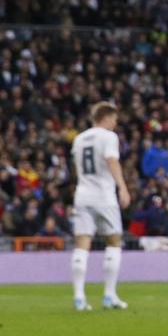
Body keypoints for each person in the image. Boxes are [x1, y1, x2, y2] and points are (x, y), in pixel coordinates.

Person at [69, 101, 130, 311]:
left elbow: (76, 169)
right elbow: (112, 161)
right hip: (104, 196)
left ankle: (79, 298)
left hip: (83, 195)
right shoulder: (108, 137)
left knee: (82, 244)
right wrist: (122, 187)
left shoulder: (78, 139)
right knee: (113, 241)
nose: (115, 124)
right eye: (114, 119)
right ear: (106, 117)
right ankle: (109, 295)